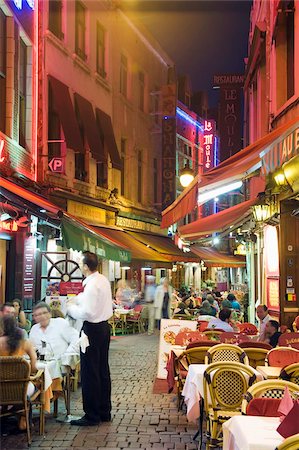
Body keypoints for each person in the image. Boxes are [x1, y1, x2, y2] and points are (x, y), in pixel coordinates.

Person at [66, 251, 113, 426]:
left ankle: (92, 415)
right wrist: (77, 300)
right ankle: (104, 411)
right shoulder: (102, 280)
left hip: (91, 330)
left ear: (86, 266)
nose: (79, 264)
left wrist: (71, 308)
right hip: (103, 328)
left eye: (80, 262)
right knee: (102, 370)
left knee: (89, 372)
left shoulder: (92, 285)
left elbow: (87, 312)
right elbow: (88, 301)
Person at [0, 316, 38, 430]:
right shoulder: (25, 343)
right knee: (32, 388)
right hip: (21, 387)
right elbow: (34, 365)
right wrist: (30, 373)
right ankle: (23, 417)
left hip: (0, 388)